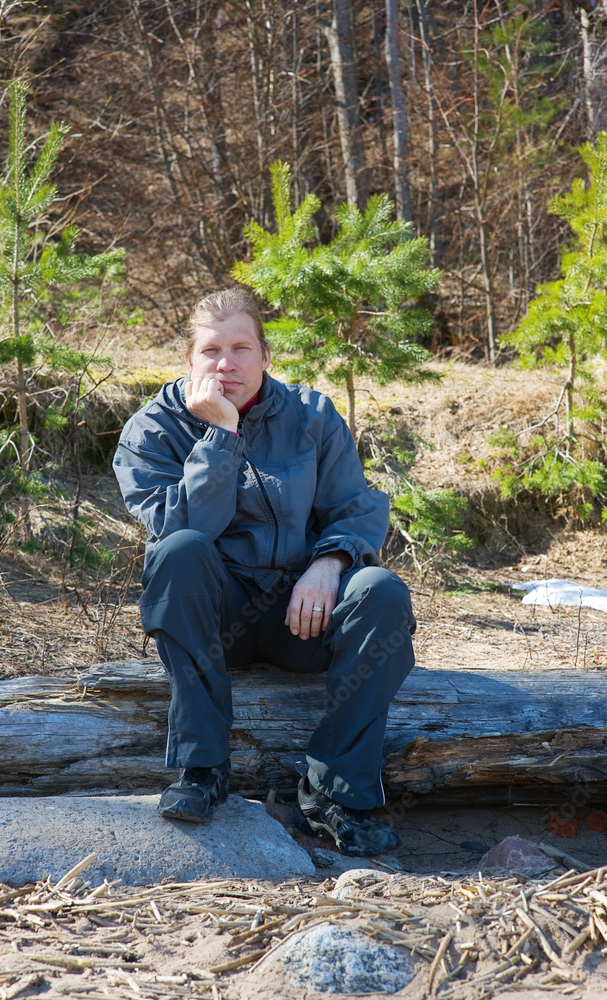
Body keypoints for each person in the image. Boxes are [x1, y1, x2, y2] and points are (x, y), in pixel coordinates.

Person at [113, 286, 416, 857]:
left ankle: (334, 793)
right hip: (213, 617)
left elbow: (356, 506)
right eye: (210, 350)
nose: (226, 363)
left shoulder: (311, 415)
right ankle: (202, 771)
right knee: (178, 552)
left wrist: (329, 563)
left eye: (242, 347)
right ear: (188, 359)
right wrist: (220, 435)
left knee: (380, 590)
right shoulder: (152, 431)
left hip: (300, 615)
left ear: (265, 355)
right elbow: (187, 527)